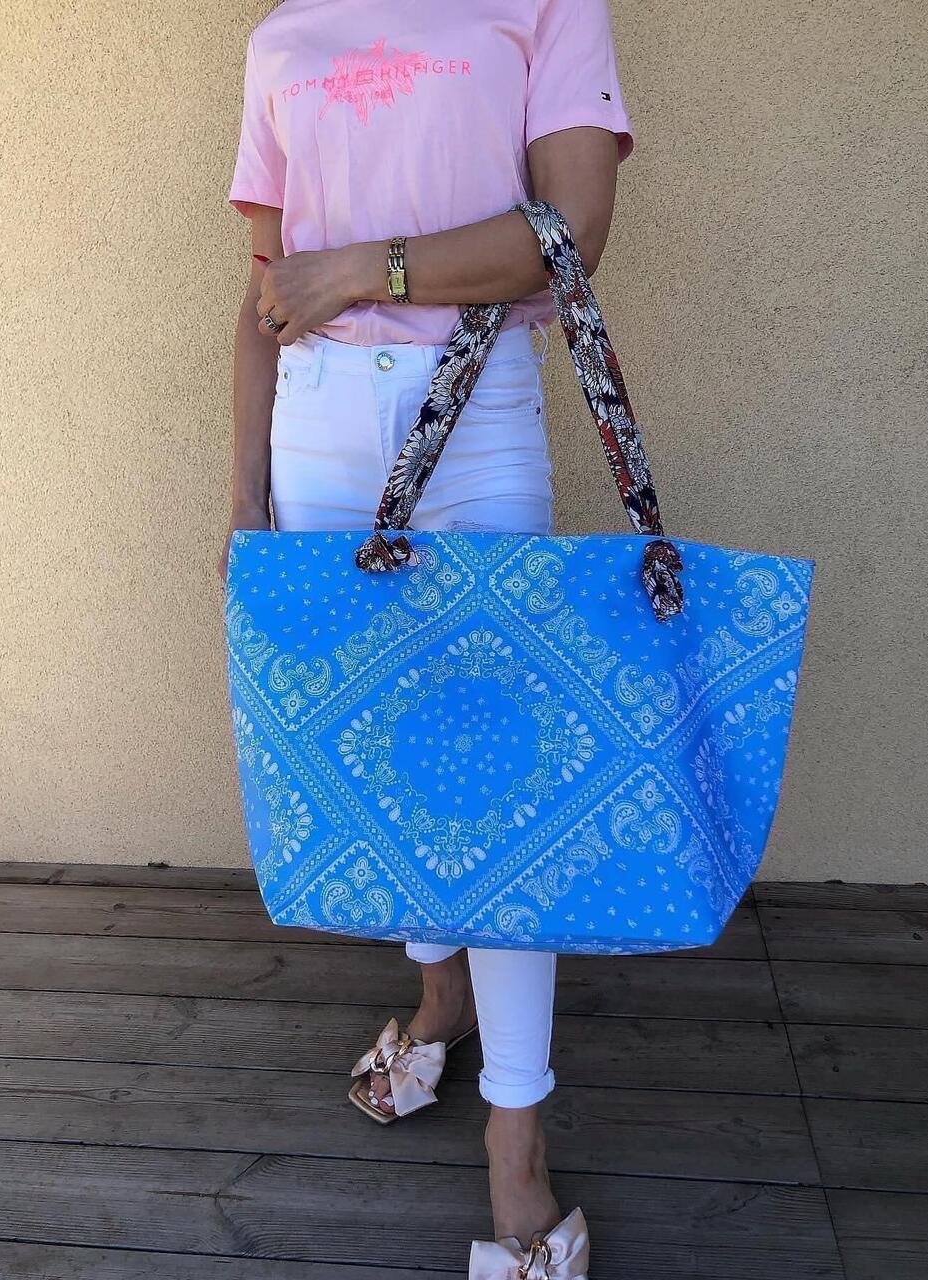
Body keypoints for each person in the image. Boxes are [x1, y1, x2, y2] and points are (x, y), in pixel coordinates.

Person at [220, 2, 635, 1274]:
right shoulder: (283, 32)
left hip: (476, 407)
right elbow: (264, 291)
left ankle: (517, 1137)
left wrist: (361, 269)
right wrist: (242, 498)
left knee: (505, 784)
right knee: (378, 759)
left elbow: (568, 232)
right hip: (315, 423)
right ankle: (439, 992)